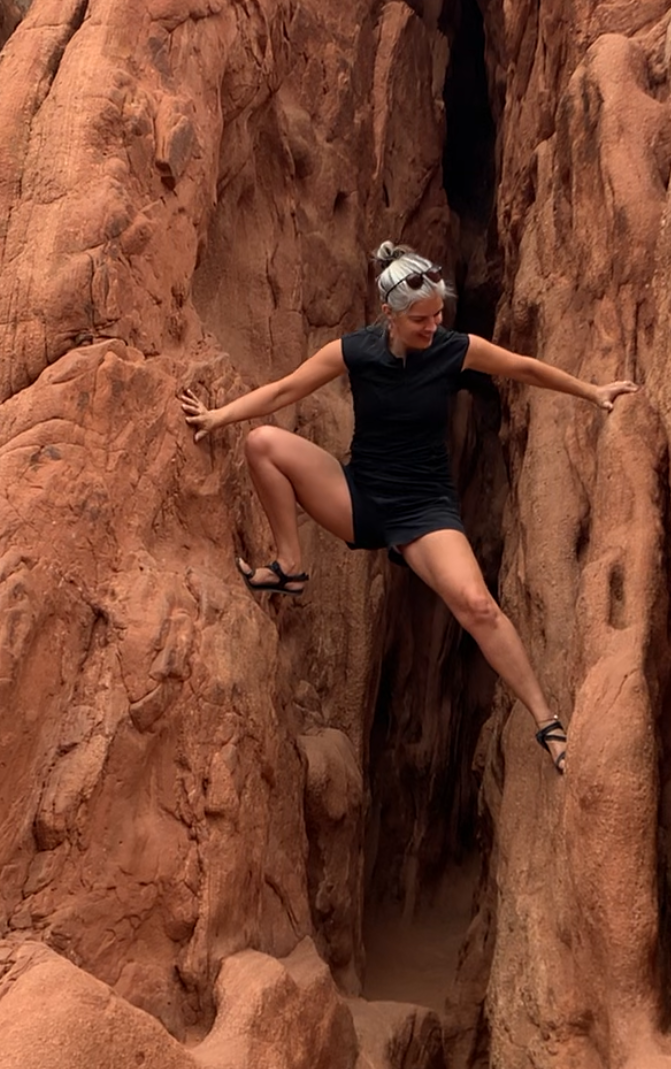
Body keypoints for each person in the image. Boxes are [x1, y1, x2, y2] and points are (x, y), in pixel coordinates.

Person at [179, 242, 634, 776]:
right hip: (362, 495)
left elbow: (524, 367)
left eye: (439, 313)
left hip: (424, 510)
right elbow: (285, 390)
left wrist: (591, 391)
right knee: (261, 445)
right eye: (421, 318)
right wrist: (218, 417)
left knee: (477, 605)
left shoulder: (454, 349)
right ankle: (289, 567)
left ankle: (547, 721)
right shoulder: (355, 351)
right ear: (389, 314)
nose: (433, 325)